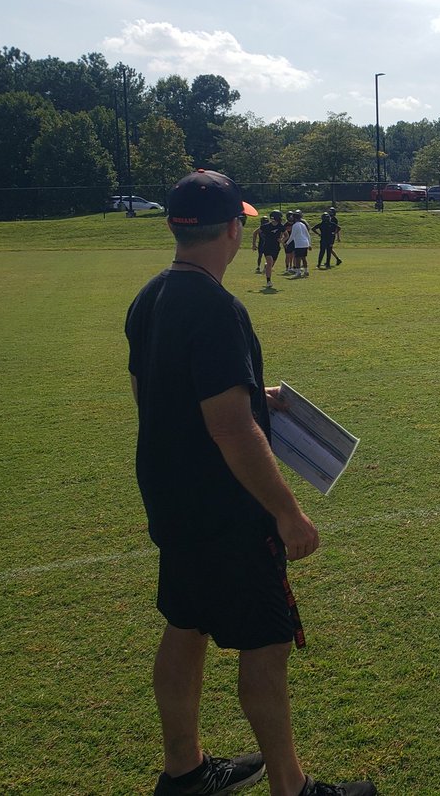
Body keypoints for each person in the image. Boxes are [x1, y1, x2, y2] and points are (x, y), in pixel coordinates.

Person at [125, 170, 375, 796]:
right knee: (265, 643)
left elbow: (149, 395)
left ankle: (183, 771)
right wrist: (288, 513)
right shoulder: (215, 307)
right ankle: (291, 788)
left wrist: (245, 395)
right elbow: (233, 433)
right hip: (226, 513)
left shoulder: (150, 296)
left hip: (173, 500)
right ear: (235, 230)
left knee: (186, 624)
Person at [260, 210, 284, 288]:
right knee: (270, 262)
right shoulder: (266, 226)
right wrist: (254, 244)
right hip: (267, 247)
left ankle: (266, 266)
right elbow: (255, 232)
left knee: (270, 265)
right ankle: (268, 281)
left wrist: (282, 240)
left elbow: (286, 235)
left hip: (276, 248)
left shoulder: (281, 226)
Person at [289, 210, 312, 278]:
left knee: (297, 258)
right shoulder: (303, 225)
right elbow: (308, 235)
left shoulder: (295, 225)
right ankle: (306, 271)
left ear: (295, 218)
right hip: (305, 243)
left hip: (299, 244)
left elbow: (292, 236)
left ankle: (298, 272)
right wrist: (309, 244)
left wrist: (287, 243)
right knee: (303, 258)